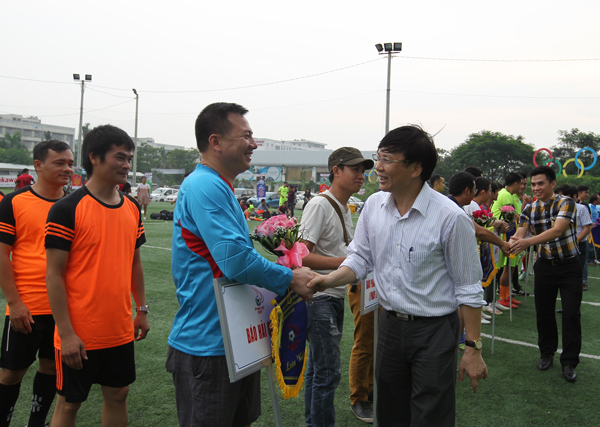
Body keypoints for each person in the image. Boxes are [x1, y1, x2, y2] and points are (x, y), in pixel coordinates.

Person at [308, 125, 487, 426]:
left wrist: (473, 348)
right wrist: (327, 280)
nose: (377, 167)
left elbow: (469, 288)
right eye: (379, 157)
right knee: (388, 411)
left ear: (416, 168)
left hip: (434, 331)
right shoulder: (374, 206)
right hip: (388, 326)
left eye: (388, 159)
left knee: (430, 414)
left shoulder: (451, 218)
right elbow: (360, 258)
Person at [165, 102, 315, 427]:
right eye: (246, 135)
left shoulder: (220, 186)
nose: (254, 144)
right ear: (215, 141)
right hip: (208, 346)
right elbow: (234, 261)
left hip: (232, 342)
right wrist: (289, 277)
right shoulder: (205, 186)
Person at [45, 125, 150, 426]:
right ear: (94, 157)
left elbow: (135, 264)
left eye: (129, 158)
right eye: (119, 157)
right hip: (79, 332)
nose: (127, 165)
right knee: (69, 404)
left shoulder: (131, 208)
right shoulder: (67, 208)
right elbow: (54, 275)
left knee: (119, 394)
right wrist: (66, 334)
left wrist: (141, 309)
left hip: (118, 329)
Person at [0, 140, 73, 427]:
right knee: (10, 373)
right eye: (60, 163)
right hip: (26, 306)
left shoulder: (76, 204)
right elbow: (2, 256)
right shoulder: (14, 202)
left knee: (50, 369)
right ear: (38, 166)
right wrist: (15, 303)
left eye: (70, 163)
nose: (67, 168)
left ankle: (36, 423)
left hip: (63, 309)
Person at [300, 147, 373, 426]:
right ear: (336, 171)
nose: (361, 175)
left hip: (331, 295)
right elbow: (301, 255)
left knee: (319, 371)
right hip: (319, 296)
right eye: (355, 169)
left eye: (362, 169)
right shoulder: (321, 204)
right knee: (328, 372)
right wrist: (349, 262)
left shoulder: (344, 205)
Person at [509, 166, 581, 382]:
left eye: (540, 183)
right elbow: (519, 234)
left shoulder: (566, 203)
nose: (536, 188)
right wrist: (505, 243)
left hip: (569, 266)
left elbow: (557, 230)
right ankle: (546, 353)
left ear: (552, 183)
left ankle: (569, 362)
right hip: (545, 267)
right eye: (532, 184)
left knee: (570, 314)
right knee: (544, 312)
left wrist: (526, 242)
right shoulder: (529, 209)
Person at [491, 172, 523, 307]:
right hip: (505, 234)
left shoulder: (512, 196)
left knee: (512, 267)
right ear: (516, 184)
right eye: (521, 184)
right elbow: (513, 216)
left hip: (511, 233)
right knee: (507, 267)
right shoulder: (506, 194)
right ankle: (503, 297)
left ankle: (507, 295)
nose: (522, 187)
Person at [555, 185, 592, 291]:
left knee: (580, 264)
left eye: (560, 196)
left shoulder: (581, 208)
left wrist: (576, 240)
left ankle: (583, 281)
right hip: (562, 243)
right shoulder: (558, 208)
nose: (558, 198)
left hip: (578, 242)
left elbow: (586, 228)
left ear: (570, 196)